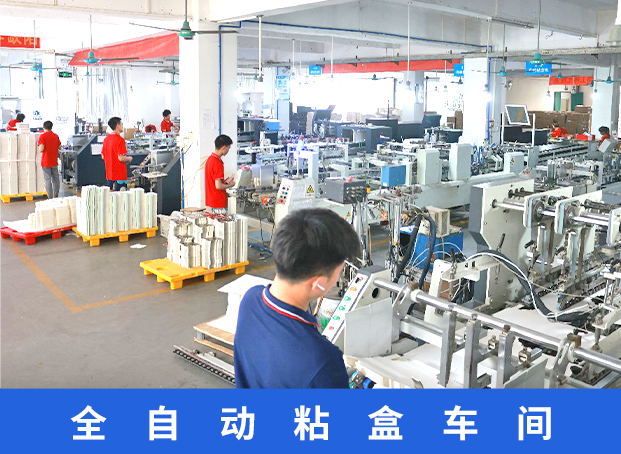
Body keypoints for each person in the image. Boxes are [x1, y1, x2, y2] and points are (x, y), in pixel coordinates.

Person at [234, 208, 361, 388]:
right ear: (318, 283)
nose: (338, 279)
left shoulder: (250, 300)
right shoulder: (323, 362)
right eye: (338, 273)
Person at [205, 134, 236, 212]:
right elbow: (218, 186)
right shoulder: (217, 163)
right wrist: (230, 185)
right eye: (228, 148)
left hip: (211, 201)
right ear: (224, 147)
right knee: (220, 220)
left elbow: (214, 182)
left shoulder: (210, 159)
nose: (228, 150)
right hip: (218, 202)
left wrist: (225, 182)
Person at [101, 117, 132, 191]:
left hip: (109, 175)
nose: (122, 126)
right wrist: (129, 158)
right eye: (121, 124)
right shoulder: (120, 140)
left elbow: (103, 156)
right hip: (120, 176)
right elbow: (121, 158)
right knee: (120, 196)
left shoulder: (106, 139)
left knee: (110, 196)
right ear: (117, 125)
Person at [37, 121, 62, 199]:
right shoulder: (55, 136)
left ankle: (50, 198)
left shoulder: (42, 136)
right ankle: (56, 196)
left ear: (43, 128)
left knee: (48, 180)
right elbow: (59, 147)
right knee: (56, 180)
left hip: (46, 162)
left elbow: (41, 149)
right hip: (54, 161)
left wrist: (39, 147)